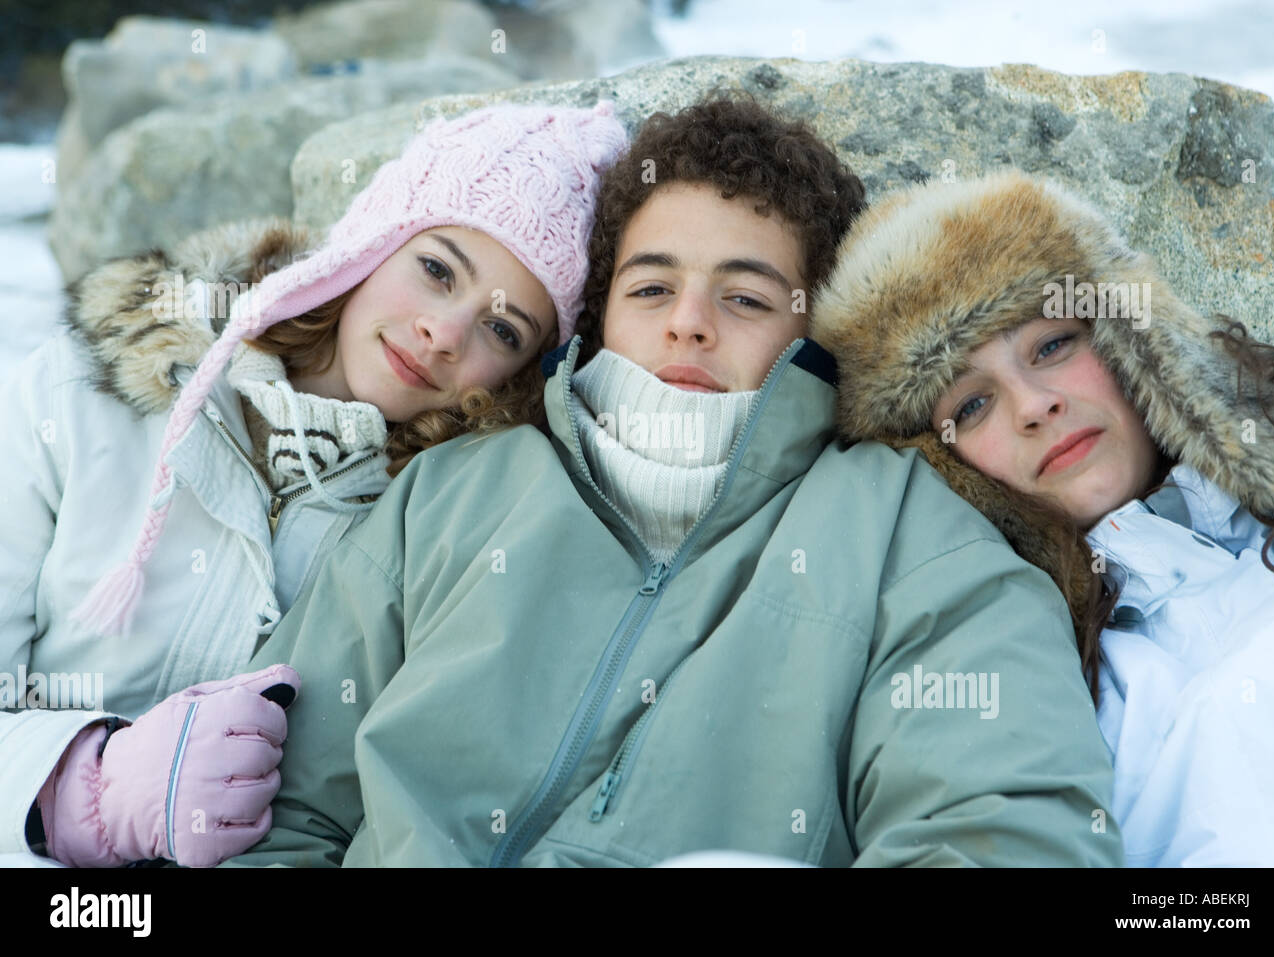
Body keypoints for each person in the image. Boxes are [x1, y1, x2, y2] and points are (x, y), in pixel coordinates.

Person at [226, 97, 1122, 868]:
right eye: (652, 289)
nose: (689, 324)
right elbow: (274, 806)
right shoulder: (447, 496)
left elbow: (1001, 830)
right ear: (601, 315)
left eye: (746, 298)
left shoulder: (910, 536)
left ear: (816, 332)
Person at [0, 102, 627, 867]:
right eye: (436, 270)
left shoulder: (440, 530)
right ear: (370, 242)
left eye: (503, 329)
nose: (444, 332)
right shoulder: (80, 391)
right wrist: (79, 793)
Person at [812, 168, 1274, 866]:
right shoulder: (1040, 693)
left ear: (1133, 339)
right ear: (939, 463)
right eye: (971, 405)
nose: (1033, 404)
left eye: (1052, 345)